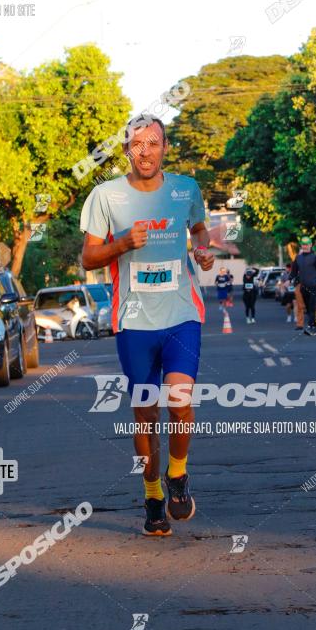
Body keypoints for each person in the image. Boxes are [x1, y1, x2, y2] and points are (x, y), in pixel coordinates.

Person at [80, 113, 214, 536]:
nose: (145, 151)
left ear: (165, 148)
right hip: (133, 321)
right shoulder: (105, 197)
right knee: (144, 416)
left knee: (180, 401)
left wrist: (204, 253)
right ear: (125, 150)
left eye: (153, 142)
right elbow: (88, 258)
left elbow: (199, 232)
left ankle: (177, 474)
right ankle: (152, 493)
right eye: (137, 144)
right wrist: (122, 244)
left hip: (181, 315)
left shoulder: (185, 189)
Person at [290, 237, 316, 336]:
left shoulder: (314, 257)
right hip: (303, 287)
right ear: (301, 246)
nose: (305, 246)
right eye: (303, 244)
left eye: (307, 244)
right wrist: (288, 280)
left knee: (312, 307)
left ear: (310, 245)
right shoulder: (298, 258)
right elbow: (293, 272)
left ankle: (309, 326)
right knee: (308, 309)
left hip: (313, 286)